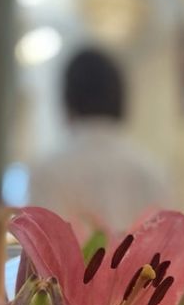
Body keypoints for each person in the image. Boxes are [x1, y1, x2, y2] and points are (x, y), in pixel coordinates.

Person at [27, 48, 170, 231]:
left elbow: (45, 243)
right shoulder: (152, 169)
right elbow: (169, 243)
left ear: (68, 98)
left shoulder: (48, 170)